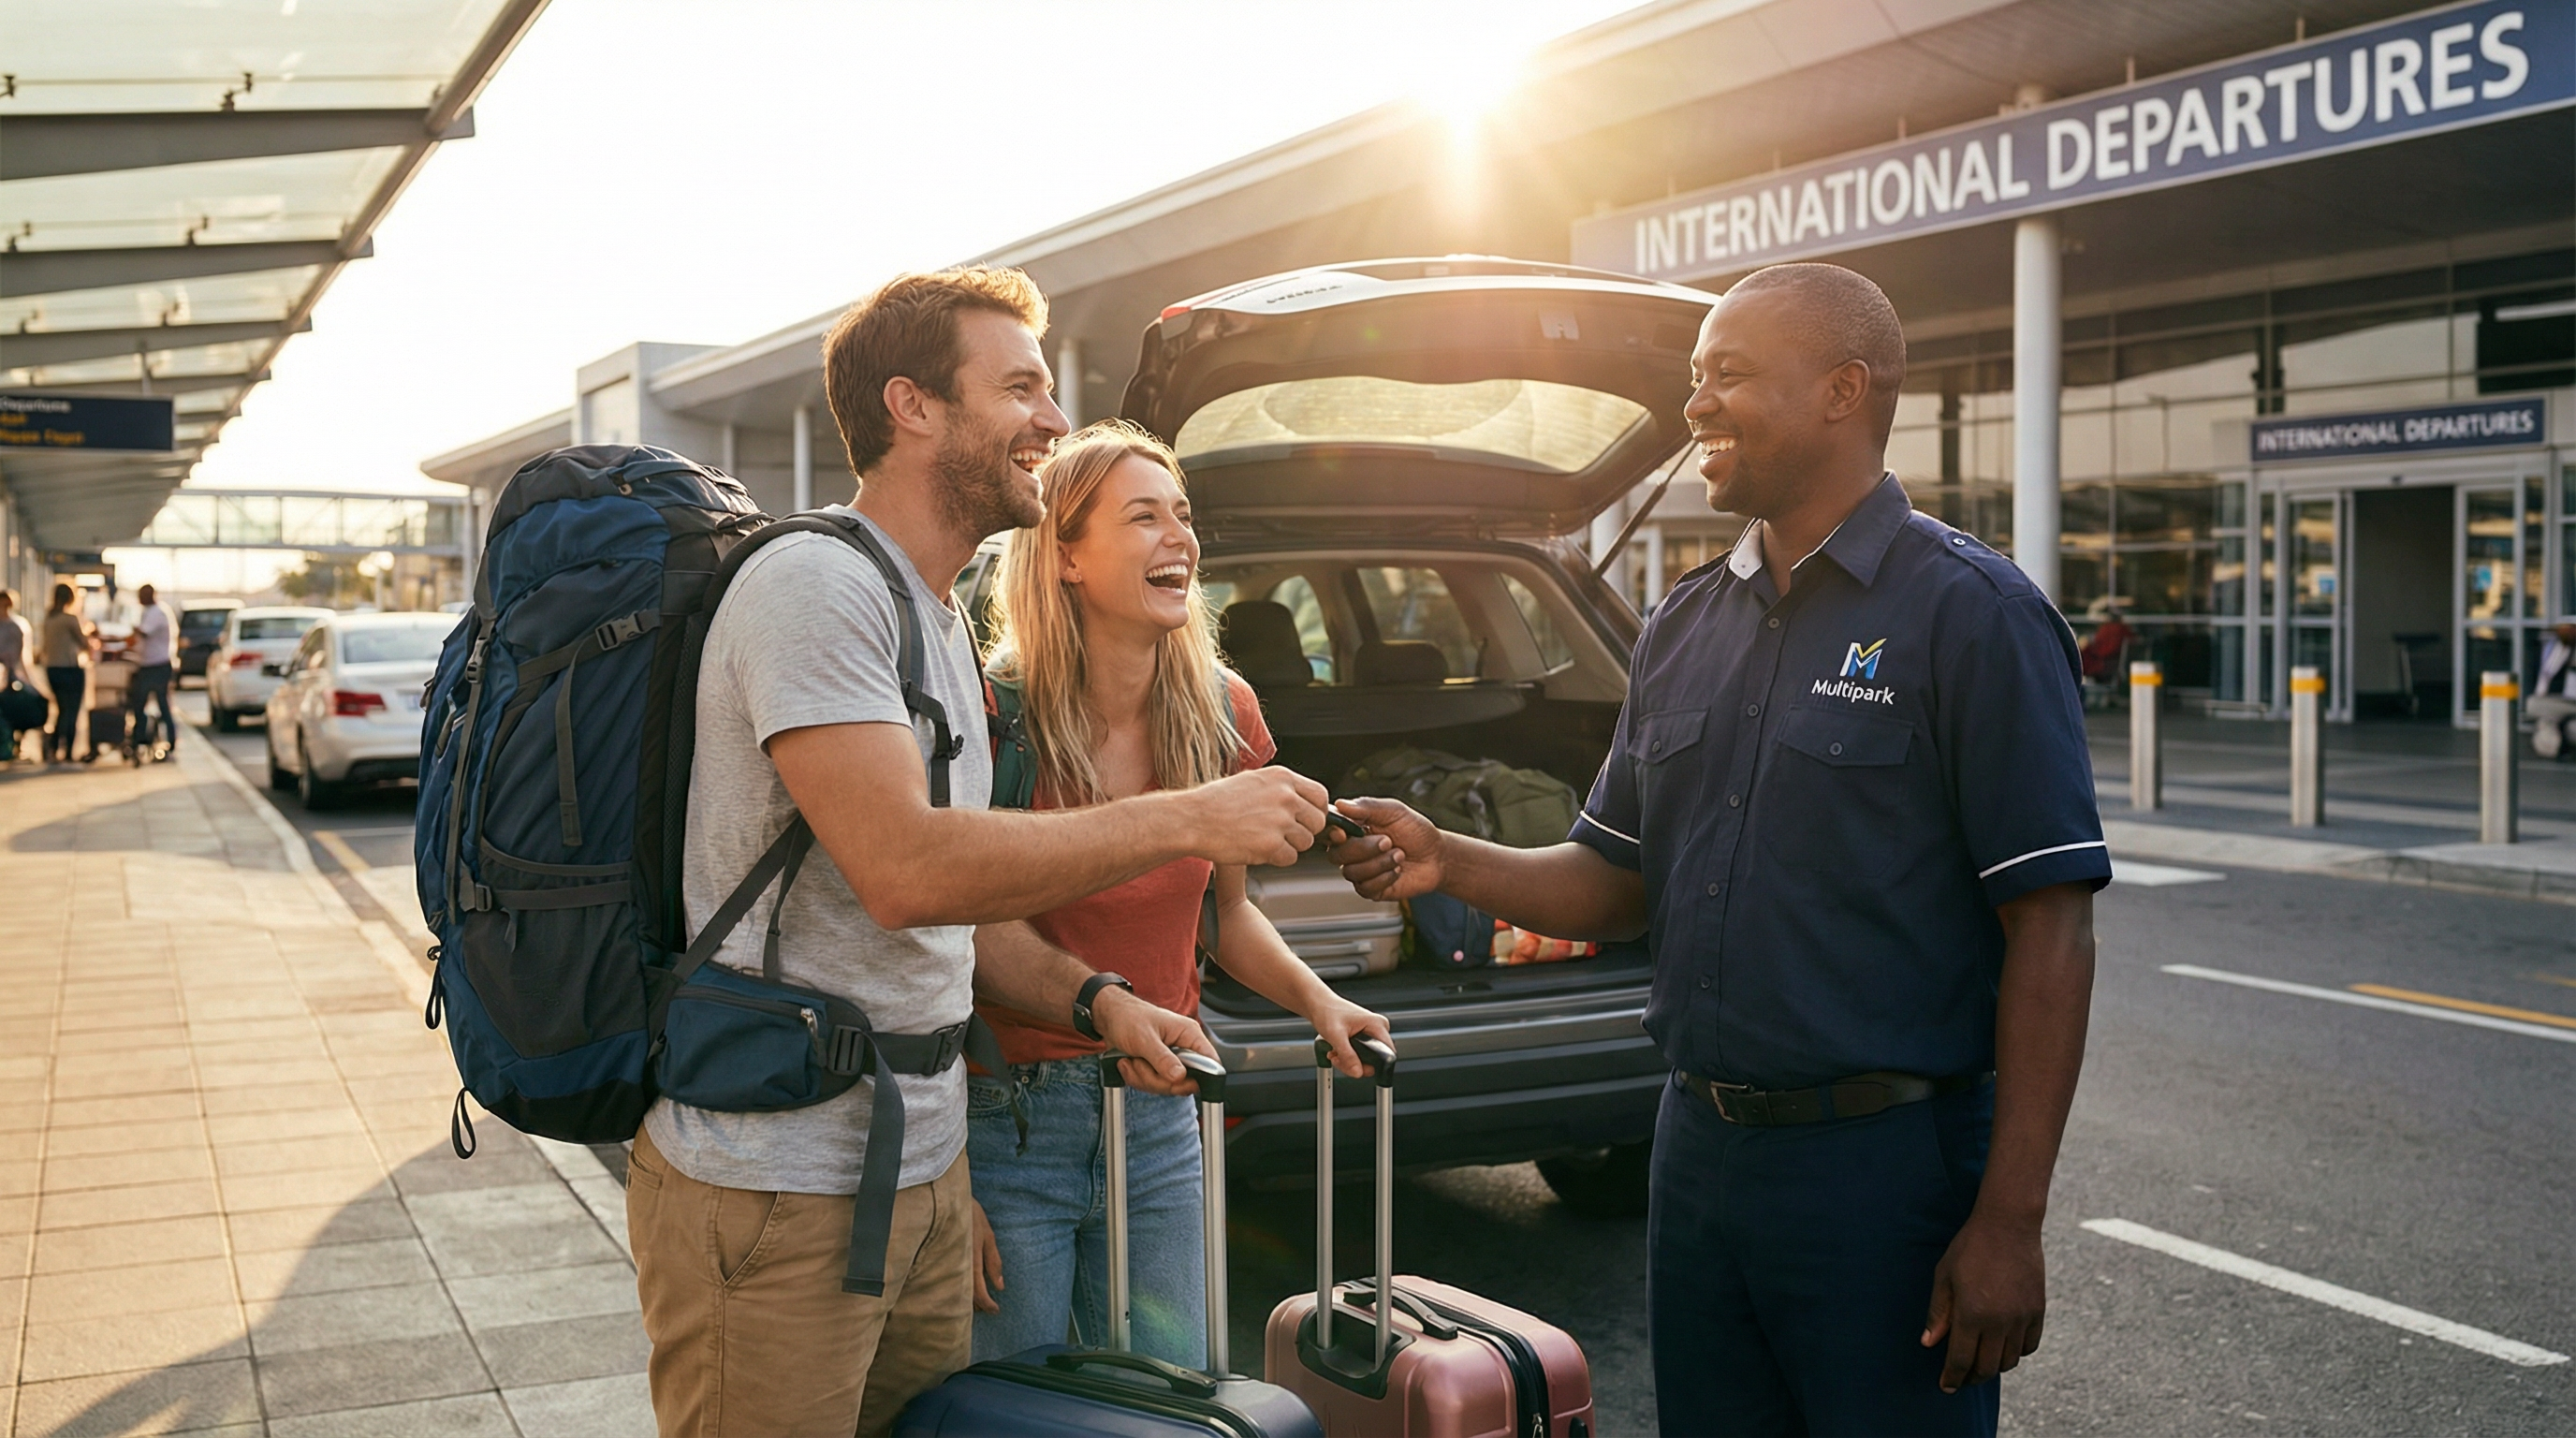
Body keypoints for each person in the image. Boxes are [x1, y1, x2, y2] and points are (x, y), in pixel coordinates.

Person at [1329, 263, 2105, 1437]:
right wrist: (1447, 857)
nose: (1696, 406)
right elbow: (1614, 878)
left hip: (1883, 1176)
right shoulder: (1683, 624)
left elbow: (2049, 928)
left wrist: (2008, 1221)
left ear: (1843, 391)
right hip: (1693, 1159)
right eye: (1693, 379)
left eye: (1728, 377)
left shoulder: (1974, 617)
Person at [626, 266, 1331, 1438]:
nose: (1053, 422)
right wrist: (1189, 818)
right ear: (913, 407)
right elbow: (908, 872)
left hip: (919, 1170)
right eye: (1020, 387)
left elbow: (961, 923)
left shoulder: (937, 617)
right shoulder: (816, 587)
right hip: (779, 1183)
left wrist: (1098, 999)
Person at [962, 420, 1393, 1367]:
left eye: (1183, 516)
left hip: (1162, 1110)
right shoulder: (993, 716)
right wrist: (944, 1185)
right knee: (1021, 1415)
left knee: (1177, 1391)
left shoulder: (1221, 707)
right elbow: (957, 929)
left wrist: (1321, 1003)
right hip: (1005, 1122)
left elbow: (1225, 913)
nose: (1180, 539)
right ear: (1065, 555)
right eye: (1144, 517)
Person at [37, 583, 96, 767]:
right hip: (70, 668)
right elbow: (84, 643)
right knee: (72, 711)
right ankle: (69, 751)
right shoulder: (70, 619)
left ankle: (53, 747)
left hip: (52, 669)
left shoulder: (48, 619)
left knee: (61, 709)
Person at [127, 582, 178, 760]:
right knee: (140, 704)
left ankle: (170, 742)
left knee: (160, 704)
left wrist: (130, 631)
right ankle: (139, 739)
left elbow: (144, 633)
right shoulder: (148, 612)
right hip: (148, 664)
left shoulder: (157, 612)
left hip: (157, 665)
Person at [2532, 623, 2576, 758]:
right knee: (2548, 723)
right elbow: (2547, 675)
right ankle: (2556, 747)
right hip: (2560, 700)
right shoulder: (2557, 650)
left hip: (2568, 702)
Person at [0, 589, 34, 762]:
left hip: (13, 675)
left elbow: (23, 656)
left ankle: (16, 743)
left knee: (17, 708)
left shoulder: (17, 625)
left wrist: (29, 679)